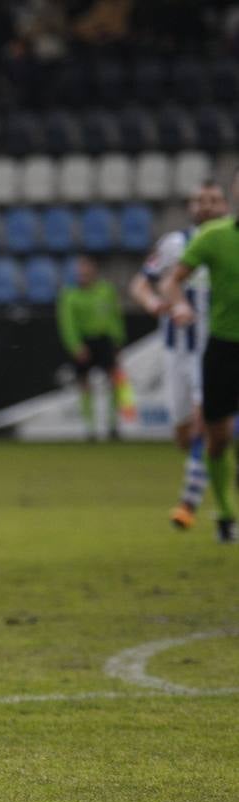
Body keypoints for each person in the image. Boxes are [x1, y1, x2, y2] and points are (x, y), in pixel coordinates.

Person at [128, 180, 227, 530]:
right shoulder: (173, 245)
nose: (205, 206)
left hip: (213, 349)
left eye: (213, 201)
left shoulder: (229, 241)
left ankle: (188, 505)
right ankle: (217, 475)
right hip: (177, 351)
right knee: (185, 436)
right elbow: (141, 284)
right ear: (190, 206)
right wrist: (156, 303)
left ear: (225, 206)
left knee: (205, 422)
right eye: (200, 200)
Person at [161, 168, 239, 544]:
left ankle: (194, 504)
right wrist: (177, 306)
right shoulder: (214, 238)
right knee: (217, 438)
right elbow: (171, 280)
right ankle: (224, 513)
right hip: (222, 347)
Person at [56, 253, 126, 441]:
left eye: (86, 269)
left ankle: (113, 425)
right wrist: (76, 345)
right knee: (84, 383)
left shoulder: (106, 290)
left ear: (94, 270)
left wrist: (118, 339)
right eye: (80, 270)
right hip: (84, 341)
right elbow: (67, 323)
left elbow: (114, 315)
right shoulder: (70, 295)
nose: (83, 273)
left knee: (113, 380)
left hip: (104, 339)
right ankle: (90, 428)